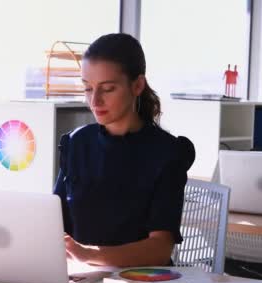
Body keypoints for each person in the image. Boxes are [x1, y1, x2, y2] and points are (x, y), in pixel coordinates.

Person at [53, 33, 195, 267]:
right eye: (88, 88)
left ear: (137, 85)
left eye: (107, 89)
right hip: (82, 279)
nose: (95, 101)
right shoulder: (76, 143)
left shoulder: (167, 152)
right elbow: (54, 224)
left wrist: (90, 255)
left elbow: (160, 247)